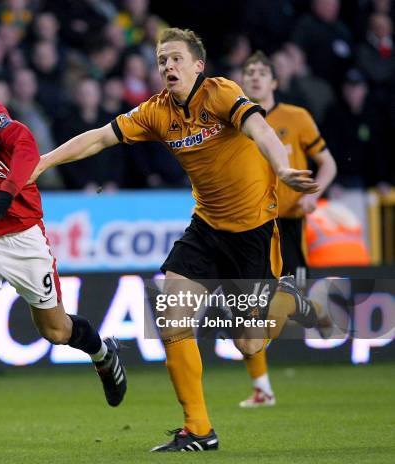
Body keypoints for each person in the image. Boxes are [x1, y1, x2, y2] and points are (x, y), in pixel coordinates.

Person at [30, 28, 322, 452]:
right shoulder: (156, 112)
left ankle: (288, 298)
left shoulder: (221, 93)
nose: (167, 66)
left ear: (198, 65)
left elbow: (260, 129)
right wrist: (45, 161)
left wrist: (280, 167)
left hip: (252, 232)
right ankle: (199, 430)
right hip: (206, 228)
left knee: (248, 343)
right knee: (171, 311)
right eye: (161, 59)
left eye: (176, 59)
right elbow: (99, 137)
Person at [0, 33, 126, 438]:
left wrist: (7, 192)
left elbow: (26, 146)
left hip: (22, 234)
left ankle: (103, 353)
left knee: (55, 332)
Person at [238, 51, 337, 408]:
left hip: (289, 221)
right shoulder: (234, 119)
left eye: (262, 72)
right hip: (251, 224)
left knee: (287, 301)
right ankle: (262, 388)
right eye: (249, 73)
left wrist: (316, 196)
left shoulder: (296, 118)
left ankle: (314, 308)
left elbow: (327, 163)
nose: (255, 78)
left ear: (275, 82)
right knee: (248, 306)